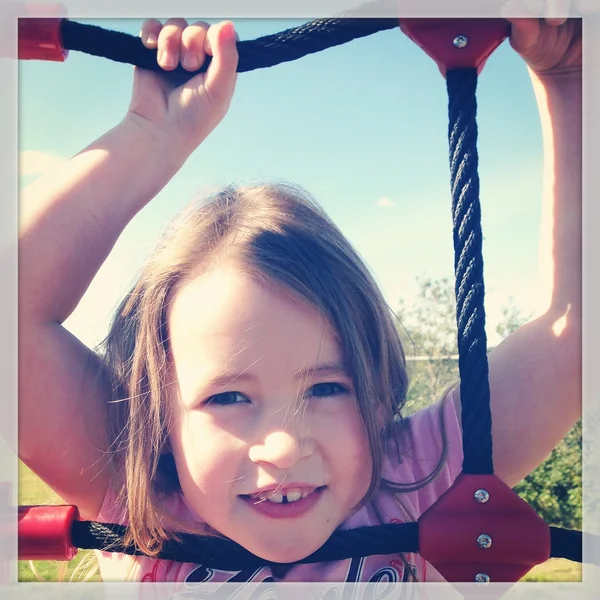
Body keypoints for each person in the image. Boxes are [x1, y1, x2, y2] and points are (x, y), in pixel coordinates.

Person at [18, 14, 581, 584]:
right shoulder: (142, 506)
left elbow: (575, 329)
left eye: (328, 387)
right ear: (159, 415)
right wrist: (149, 135)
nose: (283, 448)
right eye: (229, 398)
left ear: (379, 388)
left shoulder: (417, 481)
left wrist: (574, 79)